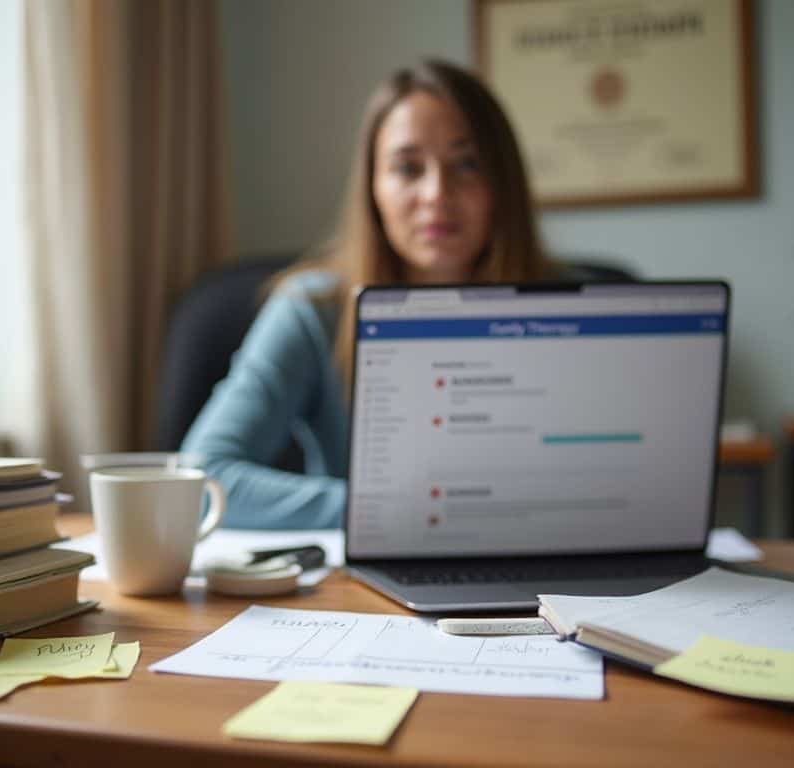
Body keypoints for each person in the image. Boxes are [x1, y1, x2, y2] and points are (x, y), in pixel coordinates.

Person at [182, 59, 548, 529]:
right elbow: (202, 479)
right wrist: (388, 512)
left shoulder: (575, 308)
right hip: (366, 582)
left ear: (504, 183)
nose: (437, 193)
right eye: (408, 168)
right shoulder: (314, 310)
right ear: (373, 187)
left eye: (468, 164)